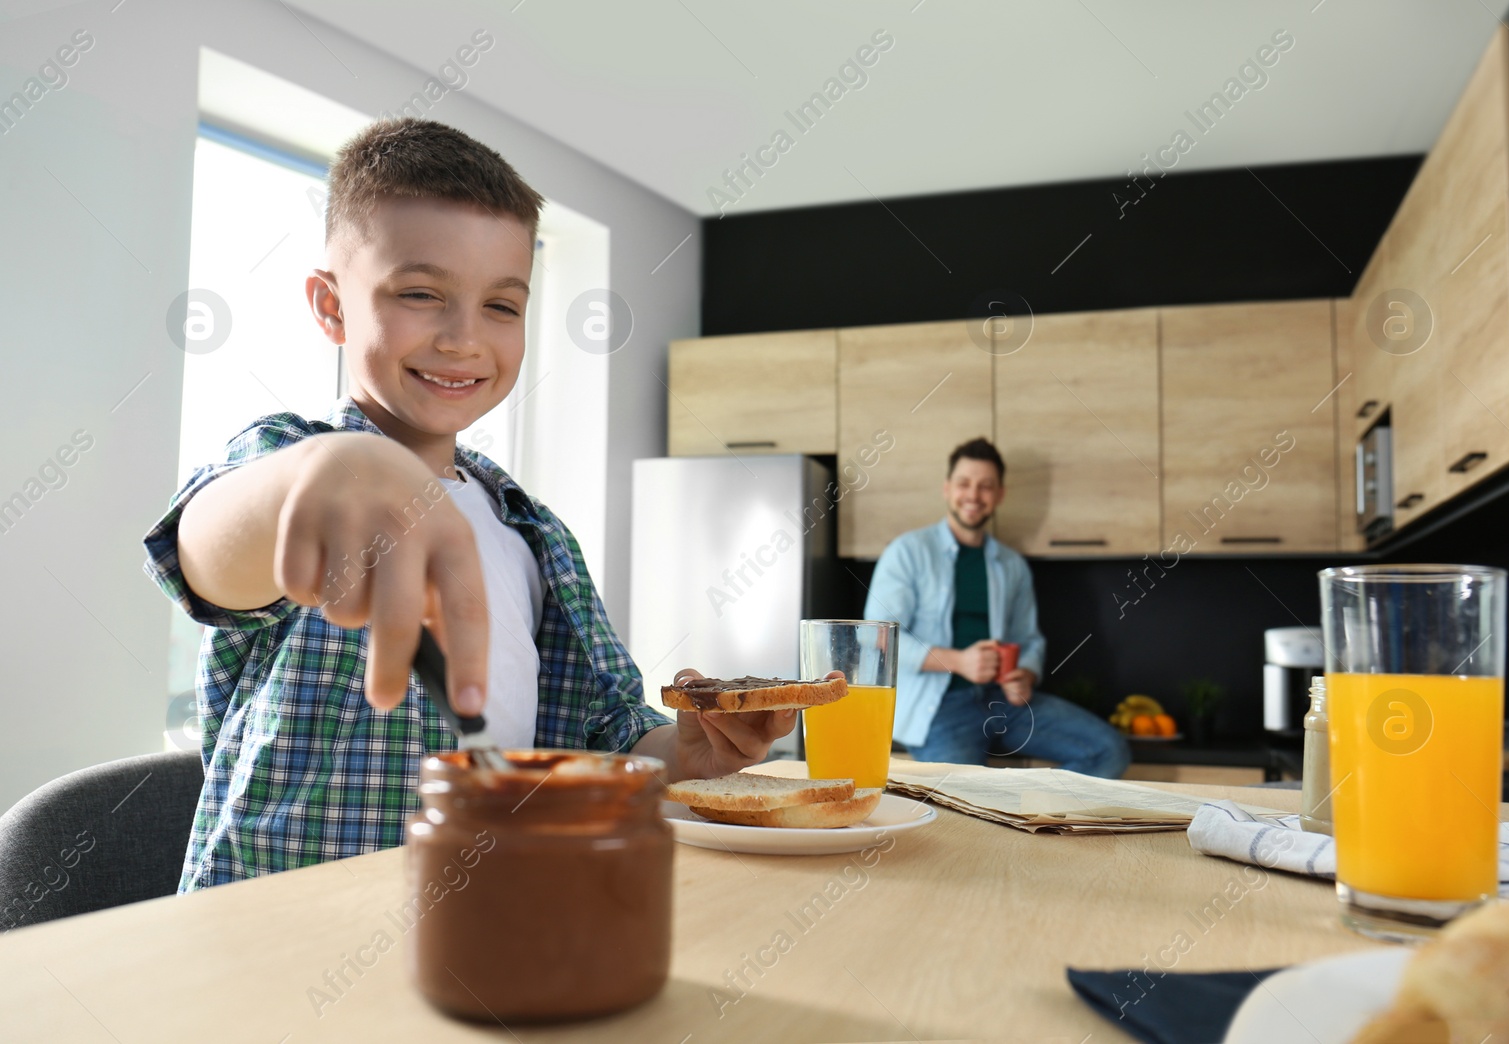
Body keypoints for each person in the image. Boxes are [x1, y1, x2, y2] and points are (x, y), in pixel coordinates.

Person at [143, 119, 792, 891]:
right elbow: (202, 555)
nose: (463, 339)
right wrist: (325, 467)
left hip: (489, 923)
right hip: (275, 951)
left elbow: (604, 731)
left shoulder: (535, 533)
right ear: (331, 306)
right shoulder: (292, 462)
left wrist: (691, 753)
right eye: (422, 294)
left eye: (502, 306)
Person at [863, 438, 1129, 776]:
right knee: (969, 804)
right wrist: (958, 661)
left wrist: (1025, 676)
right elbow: (877, 639)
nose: (973, 495)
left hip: (1004, 703)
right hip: (940, 710)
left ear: (999, 494)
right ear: (947, 489)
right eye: (964, 484)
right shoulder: (907, 552)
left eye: (985, 486)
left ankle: (1030, 817)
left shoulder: (1012, 565)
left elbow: (1029, 639)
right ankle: (1006, 812)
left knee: (1109, 750)